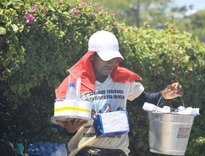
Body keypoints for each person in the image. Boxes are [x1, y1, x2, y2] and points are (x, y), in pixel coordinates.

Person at [54, 30, 183, 156]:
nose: (111, 62)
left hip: (119, 151)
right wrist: (69, 130)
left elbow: (144, 100)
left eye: (114, 58)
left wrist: (164, 95)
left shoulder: (123, 80)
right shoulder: (74, 83)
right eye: (106, 58)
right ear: (92, 56)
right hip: (86, 151)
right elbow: (62, 125)